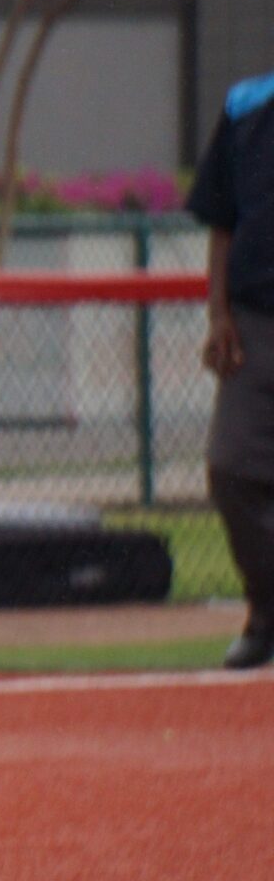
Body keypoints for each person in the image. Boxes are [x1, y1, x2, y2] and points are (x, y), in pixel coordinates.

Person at [192, 68, 274, 671]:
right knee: (232, 468)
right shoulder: (247, 106)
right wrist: (218, 312)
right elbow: (222, 220)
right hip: (256, 320)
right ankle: (266, 612)